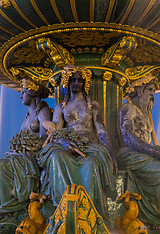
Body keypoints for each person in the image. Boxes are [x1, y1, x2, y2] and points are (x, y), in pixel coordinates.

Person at [37, 65, 117, 222]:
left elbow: (102, 131)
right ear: (67, 82)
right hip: (65, 144)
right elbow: (55, 131)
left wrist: (112, 155)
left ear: (85, 83)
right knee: (56, 157)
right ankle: (63, 209)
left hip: (89, 146)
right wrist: (63, 141)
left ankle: (91, 212)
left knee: (91, 164)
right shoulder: (61, 107)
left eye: (80, 80)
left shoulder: (93, 105)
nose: (76, 84)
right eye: (73, 80)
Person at [0, 77, 52, 213]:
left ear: (32, 93)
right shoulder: (28, 116)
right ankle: (6, 204)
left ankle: (8, 206)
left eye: (23, 92)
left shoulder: (43, 112)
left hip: (33, 155)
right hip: (22, 155)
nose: (21, 96)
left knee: (1, 166)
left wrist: (27, 146)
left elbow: (45, 138)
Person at [116, 73, 160, 225]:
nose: (152, 97)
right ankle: (154, 216)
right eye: (150, 91)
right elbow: (128, 138)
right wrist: (153, 151)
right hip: (129, 154)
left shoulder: (145, 115)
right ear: (140, 91)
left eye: (154, 93)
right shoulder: (128, 108)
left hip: (142, 154)